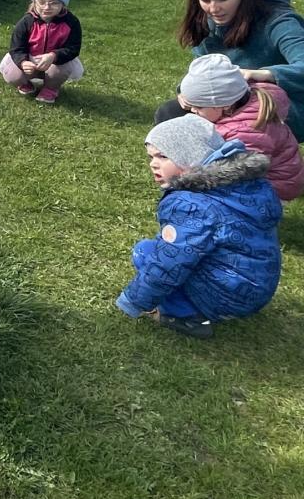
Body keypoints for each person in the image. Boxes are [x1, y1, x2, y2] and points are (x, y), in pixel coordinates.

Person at [116, 114, 282, 339]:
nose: (153, 164)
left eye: (163, 156)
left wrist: (133, 301)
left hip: (226, 297)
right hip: (258, 289)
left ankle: (184, 315)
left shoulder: (191, 205)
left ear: (190, 157)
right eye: (151, 156)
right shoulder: (247, 185)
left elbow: (170, 262)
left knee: (145, 252)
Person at [159, 0, 304, 140]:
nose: (213, 9)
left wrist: (265, 74)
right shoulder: (205, 22)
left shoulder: (279, 22)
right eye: (205, 0)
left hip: (282, 104)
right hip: (229, 102)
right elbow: (203, 68)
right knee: (170, 113)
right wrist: (187, 92)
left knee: (240, 125)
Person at [179, 54, 303, 202]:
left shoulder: (245, 132)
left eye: (198, 107)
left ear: (224, 105)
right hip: (278, 176)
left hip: (274, 186)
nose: (193, 110)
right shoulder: (247, 102)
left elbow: (235, 171)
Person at [0, 0, 84, 104]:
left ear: (63, 4)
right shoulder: (26, 21)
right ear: (34, 2)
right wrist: (23, 62)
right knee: (12, 75)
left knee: (59, 71)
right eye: (42, 2)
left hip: (55, 62)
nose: (47, 7)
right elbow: (16, 48)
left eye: (54, 3)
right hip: (29, 59)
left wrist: (54, 56)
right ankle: (24, 83)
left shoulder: (71, 22)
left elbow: (73, 48)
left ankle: (50, 88)